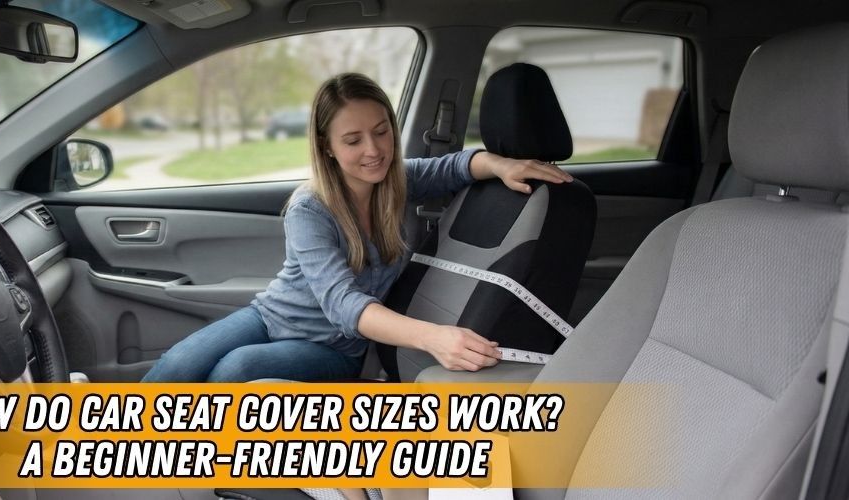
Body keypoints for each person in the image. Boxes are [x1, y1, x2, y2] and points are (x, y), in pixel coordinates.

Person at [142, 73, 573, 383]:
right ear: (327, 148)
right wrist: (435, 337)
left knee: (236, 371)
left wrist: (501, 162)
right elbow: (341, 301)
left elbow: (453, 166)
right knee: (180, 363)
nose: (374, 151)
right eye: (353, 140)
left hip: (334, 349)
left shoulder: (397, 181)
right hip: (271, 317)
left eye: (382, 132)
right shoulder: (309, 208)